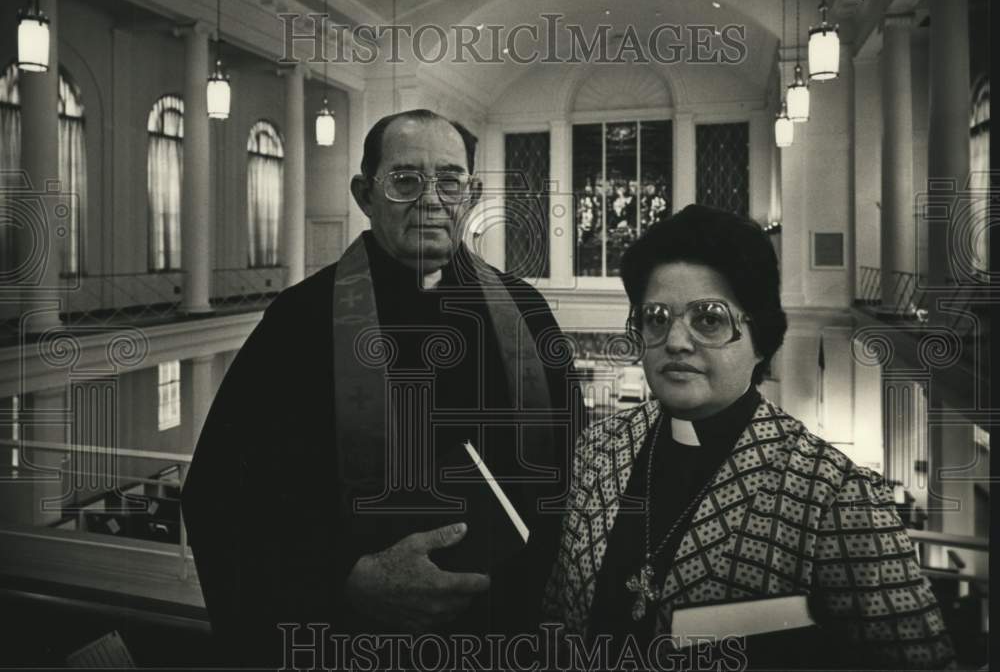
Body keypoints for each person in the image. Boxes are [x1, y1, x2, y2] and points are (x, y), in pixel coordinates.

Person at [183, 109, 577, 667]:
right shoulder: (300, 323)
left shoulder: (527, 316)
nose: (432, 199)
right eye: (405, 180)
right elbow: (223, 496)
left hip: (504, 636)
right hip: (355, 642)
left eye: (450, 180)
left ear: (473, 194)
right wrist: (345, 580)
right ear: (364, 194)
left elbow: (570, 474)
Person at [544, 204, 955, 670]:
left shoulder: (835, 496)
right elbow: (559, 612)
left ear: (760, 337)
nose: (676, 340)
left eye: (709, 318)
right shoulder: (600, 448)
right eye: (656, 317)